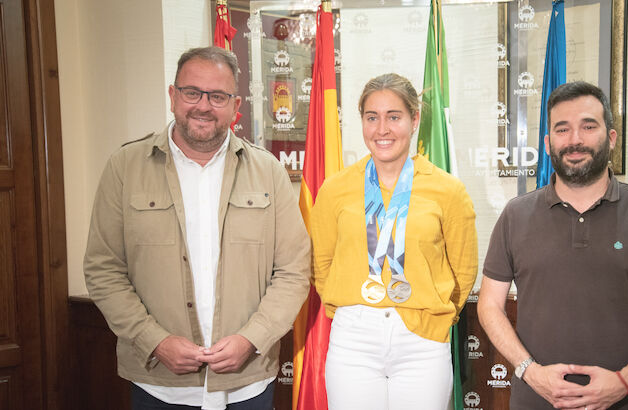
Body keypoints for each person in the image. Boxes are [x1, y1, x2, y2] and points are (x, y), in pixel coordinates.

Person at [83, 46, 310, 410]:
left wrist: (252, 339)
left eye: (218, 96)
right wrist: (154, 340)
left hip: (247, 384)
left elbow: (293, 270)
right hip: (159, 384)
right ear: (173, 96)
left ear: (235, 106)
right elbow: (103, 269)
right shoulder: (125, 168)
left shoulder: (268, 171)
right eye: (192, 92)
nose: (203, 105)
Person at [478, 81, 628, 410]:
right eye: (562, 129)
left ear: (611, 137)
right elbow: (489, 306)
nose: (575, 140)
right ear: (548, 143)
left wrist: (625, 381)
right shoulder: (515, 215)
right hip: (536, 400)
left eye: (588, 126)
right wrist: (530, 372)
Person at [310, 73, 477, 410]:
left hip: (422, 340)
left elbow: (464, 268)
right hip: (353, 338)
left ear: (414, 120)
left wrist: (437, 316)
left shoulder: (448, 190)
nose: (382, 129)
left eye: (394, 117)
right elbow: (321, 265)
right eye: (372, 117)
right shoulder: (335, 189)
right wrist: (351, 309)